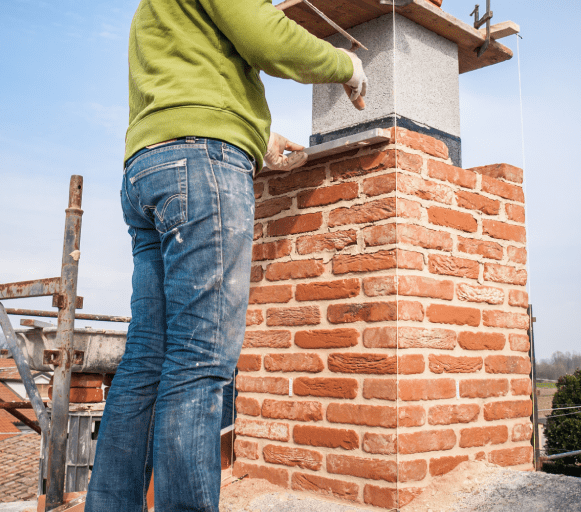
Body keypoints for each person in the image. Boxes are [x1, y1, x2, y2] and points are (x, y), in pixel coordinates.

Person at [84, 0, 367, 510]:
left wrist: (256, 139)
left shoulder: (153, 10)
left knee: (148, 358)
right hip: (200, 165)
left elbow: (193, 84)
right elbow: (268, 37)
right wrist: (346, 64)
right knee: (200, 362)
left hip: (146, 169)